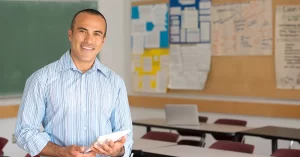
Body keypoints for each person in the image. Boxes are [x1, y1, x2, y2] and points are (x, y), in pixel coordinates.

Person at [15, 9, 133, 157]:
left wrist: (118, 150)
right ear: (70, 34)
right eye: (83, 31)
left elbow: (126, 136)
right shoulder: (41, 79)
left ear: (103, 40)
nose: (89, 40)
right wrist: (61, 151)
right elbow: (24, 132)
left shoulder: (115, 83)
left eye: (97, 33)